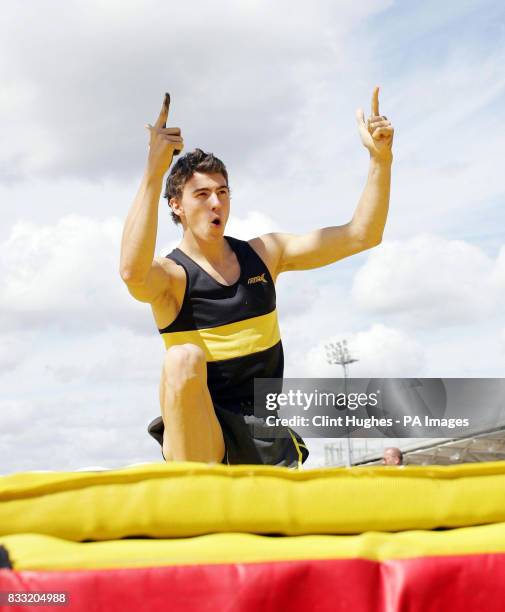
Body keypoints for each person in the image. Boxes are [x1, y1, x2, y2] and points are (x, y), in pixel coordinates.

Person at [120, 89, 394, 467]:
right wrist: (154, 172)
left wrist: (380, 160)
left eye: (222, 192)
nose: (216, 203)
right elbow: (132, 272)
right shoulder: (172, 278)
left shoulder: (265, 255)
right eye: (201, 194)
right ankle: (196, 500)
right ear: (177, 206)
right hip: (203, 441)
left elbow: (363, 234)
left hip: (263, 437)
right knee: (181, 359)